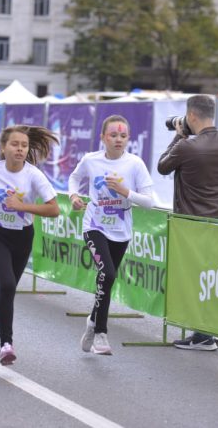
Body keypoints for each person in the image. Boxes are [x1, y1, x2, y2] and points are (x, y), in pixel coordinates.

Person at [0, 125, 60, 365]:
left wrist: (23, 206)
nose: (20, 149)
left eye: (24, 145)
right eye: (15, 144)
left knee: (6, 288)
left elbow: (54, 209)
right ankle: (6, 345)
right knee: (9, 284)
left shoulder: (33, 175)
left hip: (22, 237)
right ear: (3, 147)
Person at [69, 115, 155, 355]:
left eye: (123, 136)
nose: (118, 139)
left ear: (128, 138)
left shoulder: (135, 164)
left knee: (107, 280)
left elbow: (149, 202)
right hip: (94, 226)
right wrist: (74, 197)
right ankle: (101, 334)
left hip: (121, 230)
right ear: (102, 138)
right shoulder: (91, 160)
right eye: (113, 135)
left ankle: (93, 320)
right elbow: (74, 178)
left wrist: (125, 191)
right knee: (107, 273)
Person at [158, 94, 218, 351]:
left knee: (199, 278)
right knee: (216, 278)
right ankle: (209, 330)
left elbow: (162, 166)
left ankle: (202, 337)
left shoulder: (187, 146)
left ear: (191, 116)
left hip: (194, 222)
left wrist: (178, 135)